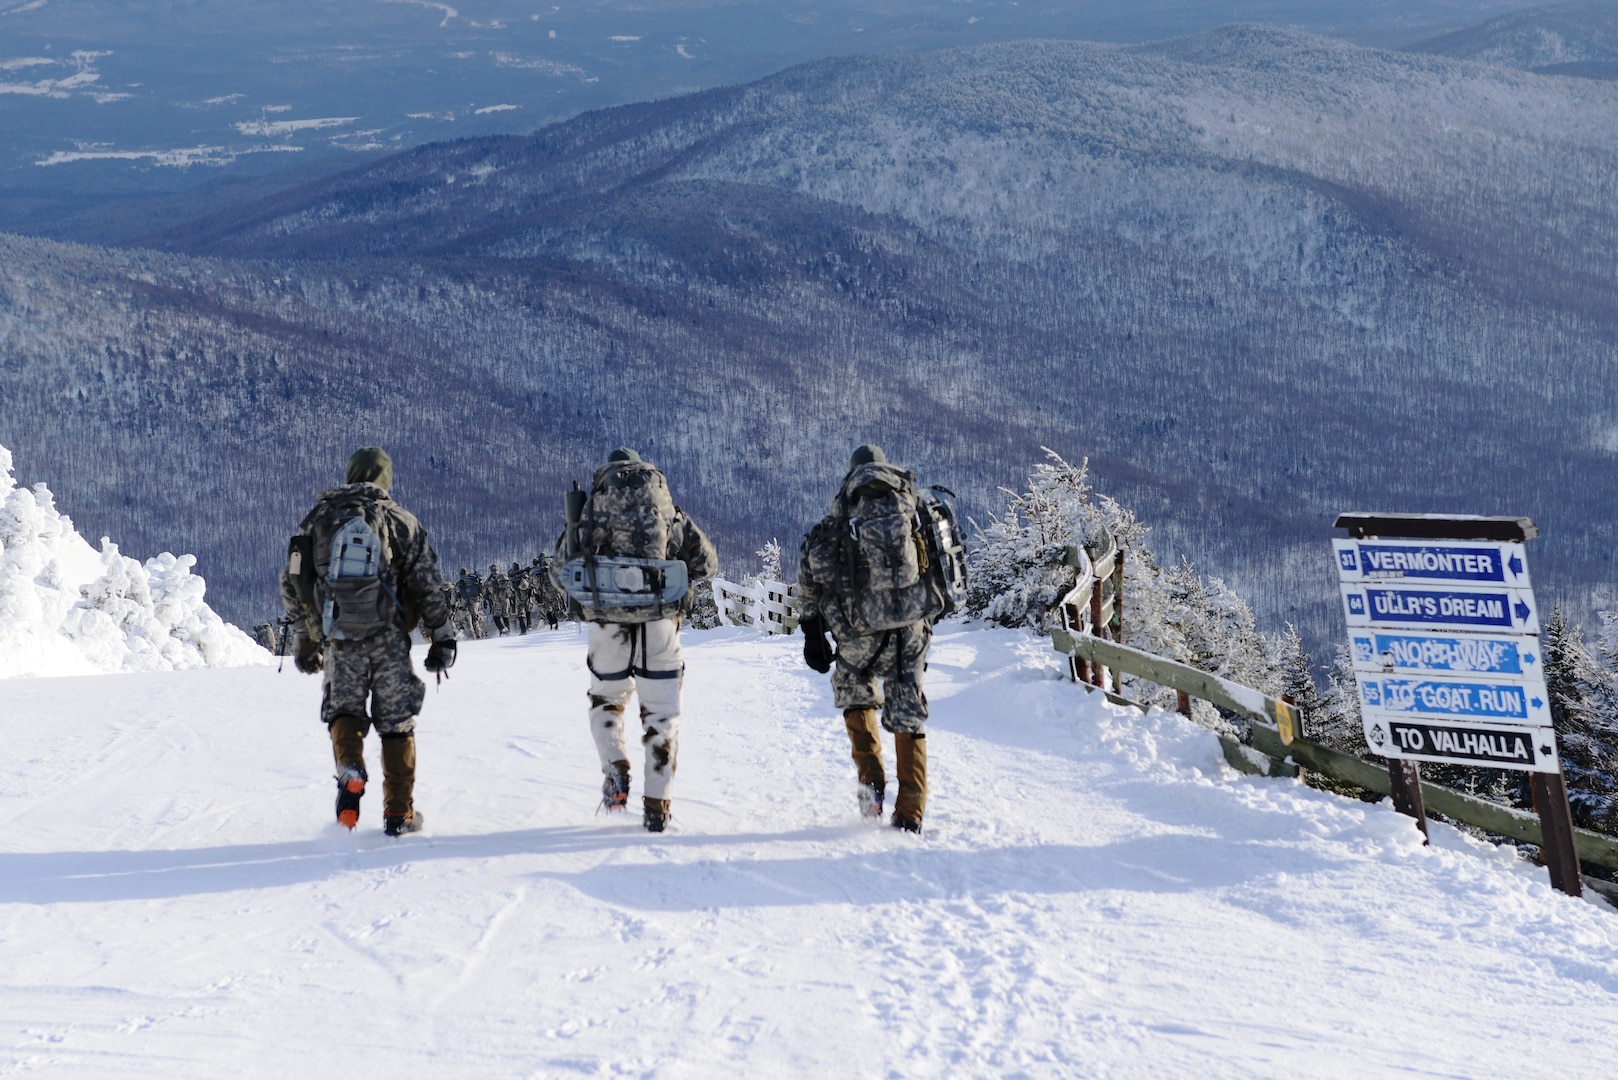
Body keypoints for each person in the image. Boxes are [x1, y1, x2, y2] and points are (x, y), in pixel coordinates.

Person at [281, 447, 456, 836]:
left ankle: (350, 767)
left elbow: (294, 583)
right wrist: (441, 636)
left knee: (344, 711)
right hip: (389, 641)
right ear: (385, 479)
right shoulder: (400, 521)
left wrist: (306, 639)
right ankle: (399, 814)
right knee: (397, 725)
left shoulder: (318, 521)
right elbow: (427, 585)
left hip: (339, 640)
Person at [553, 447, 717, 832]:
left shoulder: (592, 510)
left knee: (606, 700)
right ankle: (658, 806)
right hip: (661, 624)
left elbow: (561, 569)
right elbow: (707, 563)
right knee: (662, 716)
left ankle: (615, 769)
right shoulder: (668, 511)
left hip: (608, 624)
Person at [797, 445, 940, 833]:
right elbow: (943, 567)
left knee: (855, 695)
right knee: (908, 708)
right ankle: (910, 811)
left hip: (859, 631)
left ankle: (871, 787)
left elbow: (812, 571)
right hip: (909, 629)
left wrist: (812, 630)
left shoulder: (841, 517)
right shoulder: (913, 512)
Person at [485, 562, 513, 635]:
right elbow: (511, 588)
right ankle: (508, 632)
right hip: (506, 600)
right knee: (505, 616)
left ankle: (502, 630)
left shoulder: (489, 580)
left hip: (497, 600)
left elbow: (486, 592)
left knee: (496, 617)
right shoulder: (504, 577)